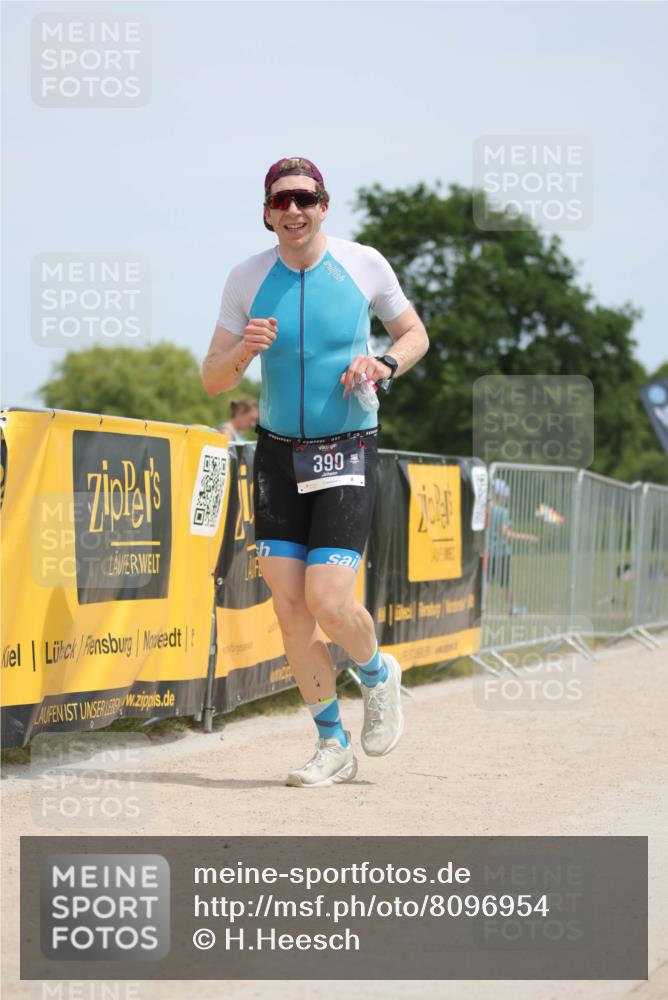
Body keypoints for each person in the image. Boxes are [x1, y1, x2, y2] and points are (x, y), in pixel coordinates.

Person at [202, 156, 428, 787]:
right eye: (281, 201)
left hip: (347, 444)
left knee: (329, 601)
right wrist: (246, 347)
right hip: (277, 452)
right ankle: (332, 743)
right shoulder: (246, 278)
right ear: (267, 213)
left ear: (324, 206)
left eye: (305, 198)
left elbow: (415, 334)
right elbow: (212, 378)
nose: (293, 210)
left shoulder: (363, 263)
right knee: (291, 606)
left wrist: (384, 365)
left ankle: (379, 675)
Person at [487, 478, 539, 614]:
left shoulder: (486, 510)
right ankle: (512, 609)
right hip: (501, 552)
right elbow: (506, 533)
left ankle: (477, 609)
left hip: (487, 551)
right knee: (506, 583)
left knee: (486, 582)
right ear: (499, 495)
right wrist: (527, 537)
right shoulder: (502, 511)